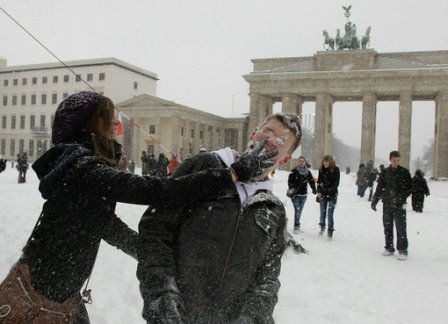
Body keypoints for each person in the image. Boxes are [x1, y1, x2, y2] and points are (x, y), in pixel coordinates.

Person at [0, 91, 270, 324]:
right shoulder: (81, 168)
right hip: (42, 292)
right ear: (89, 125)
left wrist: (155, 254)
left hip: (60, 291)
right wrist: (229, 175)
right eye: (108, 118)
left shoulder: (79, 166)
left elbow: (105, 224)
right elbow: (155, 191)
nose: (116, 123)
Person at [137, 112, 302, 324]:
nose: (270, 139)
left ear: (286, 157)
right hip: (177, 315)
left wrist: (253, 317)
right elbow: (155, 231)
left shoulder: (273, 209)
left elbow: (267, 277)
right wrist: (161, 295)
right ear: (254, 133)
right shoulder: (205, 165)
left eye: (280, 140)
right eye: (267, 131)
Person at [371, 151, 412, 261]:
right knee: (387, 227)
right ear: (390, 160)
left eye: (398, 161)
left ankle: (403, 250)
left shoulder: (405, 172)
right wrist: (375, 201)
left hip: (399, 205)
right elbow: (380, 187)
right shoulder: (385, 172)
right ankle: (389, 247)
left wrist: (400, 197)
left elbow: (409, 189)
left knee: (401, 228)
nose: (396, 163)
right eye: (394, 160)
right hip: (387, 204)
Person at [287, 156, 316, 233]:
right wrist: (292, 189)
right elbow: (289, 182)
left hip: (304, 195)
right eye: (300, 161)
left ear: (305, 162)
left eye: (302, 161)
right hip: (295, 195)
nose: (301, 162)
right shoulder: (294, 171)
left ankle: (297, 226)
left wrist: (314, 189)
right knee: (297, 210)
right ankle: (296, 227)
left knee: (300, 211)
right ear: (298, 162)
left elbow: (311, 181)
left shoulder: (307, 172)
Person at [317, 155, 340, 238]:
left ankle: (330, 231)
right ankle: (322, 227)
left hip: (332, 195)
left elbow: (336, 184)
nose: (325, 163)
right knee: (322, 213)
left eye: (327, 161)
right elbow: (319, 182)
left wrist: (328, 192)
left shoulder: (336, 169)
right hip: (322, 194)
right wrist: (319, 192)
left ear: (330, 162)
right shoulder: (321, 169)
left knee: (330, 213)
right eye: (324, 161)